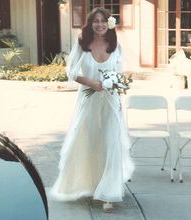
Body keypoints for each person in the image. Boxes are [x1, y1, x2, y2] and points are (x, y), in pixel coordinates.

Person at [49, 7, 134, 212]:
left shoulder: (115, 45)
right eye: (95, 21)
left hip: (110, 103)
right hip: (88, 102)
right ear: (90, 23)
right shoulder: (82, 44)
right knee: (88, 141)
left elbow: (119, 74)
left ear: (109, 23)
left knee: (110, 143)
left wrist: (115, 90)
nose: (100, 24)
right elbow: (71, 72)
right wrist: (90, 82)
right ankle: (89, 184)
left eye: (103, 21)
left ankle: (108, 194)